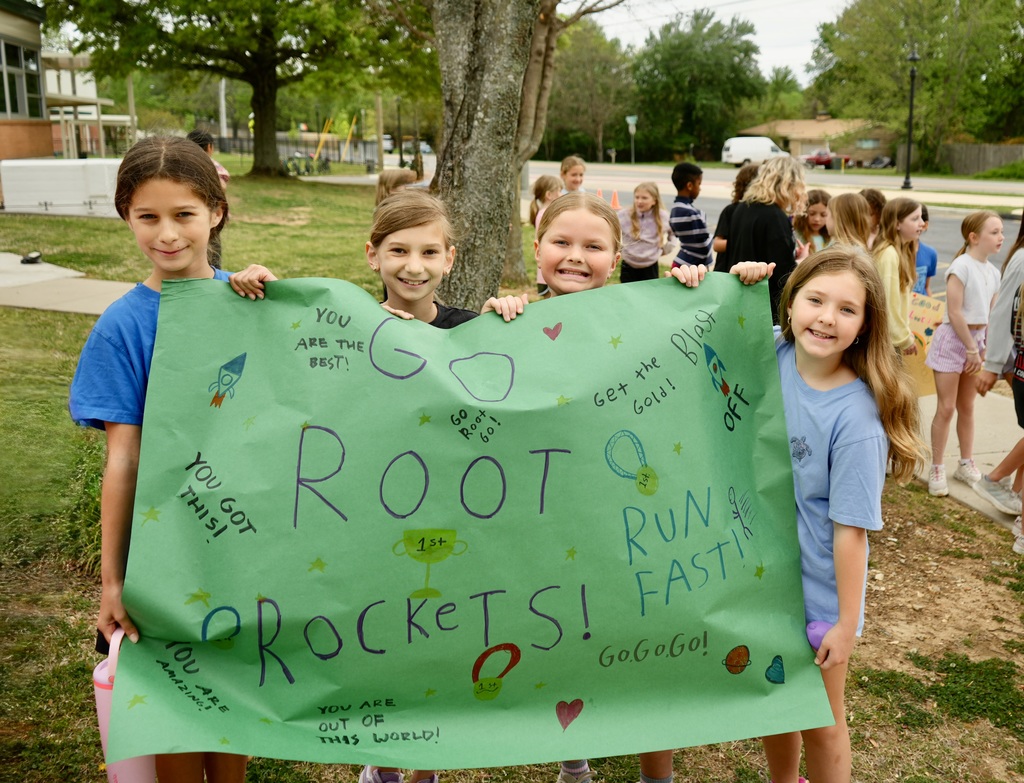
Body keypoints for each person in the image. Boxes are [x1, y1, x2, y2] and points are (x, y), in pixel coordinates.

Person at [68, 136, 275, 783]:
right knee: (179, 701)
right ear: (125, 215)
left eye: (183, 214)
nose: (167, 233)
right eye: (148, 216)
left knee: (231, 694)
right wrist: (112, 579)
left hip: (242, 544)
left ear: (216, 210)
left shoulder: (251, 305)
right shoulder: (123, 326)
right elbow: (122, 460)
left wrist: (271, 303)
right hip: (164, 553)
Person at [690, 248, 922, 783]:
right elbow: (701, 337)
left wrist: (846, 623)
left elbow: (851, 533)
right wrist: (726, 282)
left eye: (847, 309)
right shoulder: (769, 354)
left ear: (866, 326)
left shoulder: (857, 419)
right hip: (758, 580)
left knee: (821, 720)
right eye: (815, 300)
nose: (826, 317)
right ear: (790, 303)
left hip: (816, 596)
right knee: (778, 701)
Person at [537, 192, 705, 783]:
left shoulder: (645, 317)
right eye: (561, 242)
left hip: (632, 521)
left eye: (593, 246)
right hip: (551, 521)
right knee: (561, 634)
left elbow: (707, 342)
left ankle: (656, 772)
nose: (575, 257)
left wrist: (709, 285)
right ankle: (574, 761)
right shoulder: (510, 324)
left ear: (618, 257)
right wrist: (500, 312)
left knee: (644, 641)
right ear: (537, 250)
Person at [926, 211, 1004, 496]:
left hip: (977, 341)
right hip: (954, 341)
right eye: (994, 232)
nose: (1001, 237)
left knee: (967, 407)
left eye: (1001, 232)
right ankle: (937, 467)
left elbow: (992, 315)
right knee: (946, 408)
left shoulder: (994, 273)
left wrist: (983, 349)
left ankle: (965, 463)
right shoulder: (961, 266)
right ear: (974, 237)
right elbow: (954, 311)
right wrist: (970, 349)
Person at [975, 218, 1024, 521]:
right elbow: (1003, 310)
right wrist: (992, 366)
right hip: (1018, 363)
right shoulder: (1022, 258)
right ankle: (994, 480)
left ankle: (1017, 499)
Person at [725, 156, 810, 322]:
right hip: (764, 306)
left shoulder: (742, 207)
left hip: (739, 295)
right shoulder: (775, 216)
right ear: (790, 184)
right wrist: (802, 261)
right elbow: (782, 274)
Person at [871, 197, 924, 356]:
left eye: (921, 217)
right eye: (915, 219)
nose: (921, 223)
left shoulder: (901, 252)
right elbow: (888, 302)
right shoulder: (889, 254)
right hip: (887, 343)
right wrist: (903, 338)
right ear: (897, 223)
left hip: (891, 340)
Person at [618, 181, 671, 283]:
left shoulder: (663, 217)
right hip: (628, 264)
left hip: (650, 265)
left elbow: (673, 235)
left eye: (644, 198)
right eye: (637, 197)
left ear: (654, 201)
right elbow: (611, 231)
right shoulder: (624, 215)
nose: (639, 201)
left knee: (648, 295)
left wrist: (665, 250)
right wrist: (619, 248)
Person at [712, 163, 759, 272]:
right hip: (726, 270)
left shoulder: (761, 212)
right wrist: (743, 242)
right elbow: (717, 244)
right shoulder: (731, 210)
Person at [668, 162, 712, 268]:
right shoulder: (692, 214)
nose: (700, 188)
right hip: (691, 268)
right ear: (690, 186)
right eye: (699, 184)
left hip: (681, 263)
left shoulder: (675, 209)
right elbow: (704, 245)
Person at [530, 175, 564, 296]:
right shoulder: (547, 214)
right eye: (559, 191)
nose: (561, 194)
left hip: (544, 272)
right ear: (549, 195)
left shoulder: (542, 213)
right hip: (547, 274)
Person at [792, 189, 831, 254]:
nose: (817, 219)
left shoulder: (832, 239)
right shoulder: (796, 236)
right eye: (812, 213)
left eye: (823, 215)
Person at [913, 204, 939, 296]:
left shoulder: (930, 253)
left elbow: (926, 286)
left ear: (924, 225)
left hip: (919, 308)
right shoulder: (893, 253)